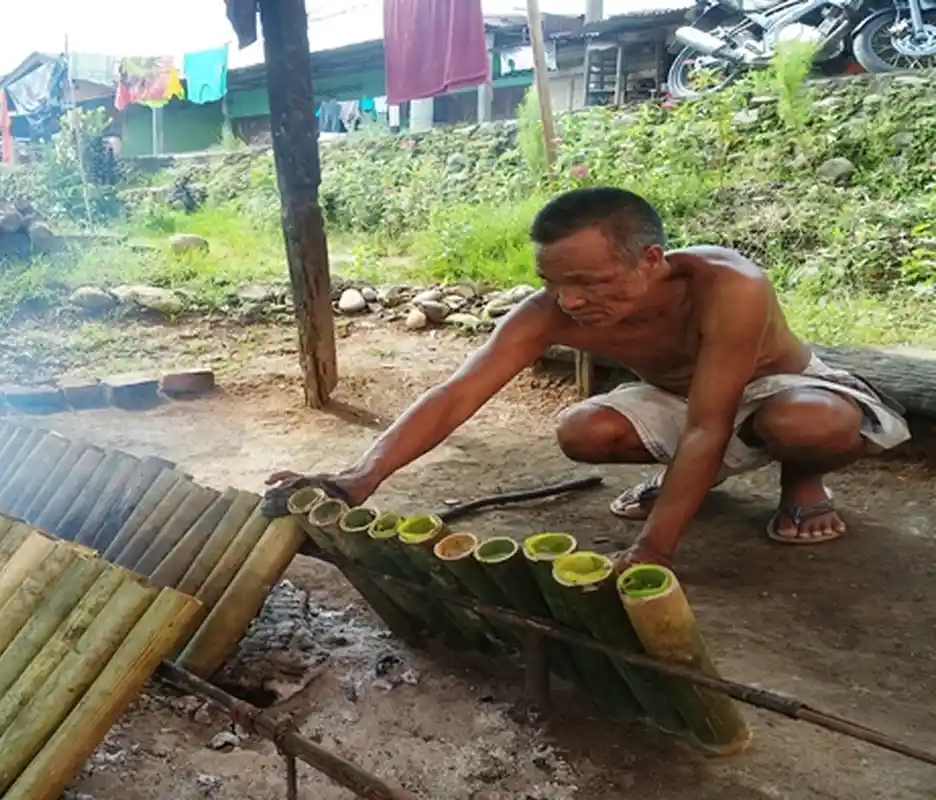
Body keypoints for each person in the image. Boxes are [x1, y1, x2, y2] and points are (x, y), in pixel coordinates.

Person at [267, 187, 910, 570]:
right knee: (583, 430)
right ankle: (696, 478)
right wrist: (360, 477)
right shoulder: (548, 313)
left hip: (783, 390)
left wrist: (654, 550)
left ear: (651, 260)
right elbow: (455, 394)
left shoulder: (730, 285)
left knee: (805, 423)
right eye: (553, 282)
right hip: (686, 400)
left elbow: (714, 420)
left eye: (589, 282)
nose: (569, 302)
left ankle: (803, 481)